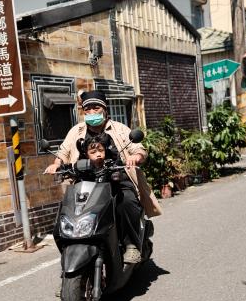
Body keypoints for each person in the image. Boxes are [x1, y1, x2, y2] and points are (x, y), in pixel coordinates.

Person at [44, 90, 161, 264]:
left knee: (127, 202)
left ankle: (131, 245)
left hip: (116, 179)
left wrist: (135, 157)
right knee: (66, 214)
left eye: (96, 108)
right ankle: (69, 261)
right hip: (86, 183)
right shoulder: (76, 131)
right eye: (87, 109)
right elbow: (63, 152)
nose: (92, 112)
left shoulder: (119, 129)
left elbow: (139, 150)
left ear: (105, 110)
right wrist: (56, 164)